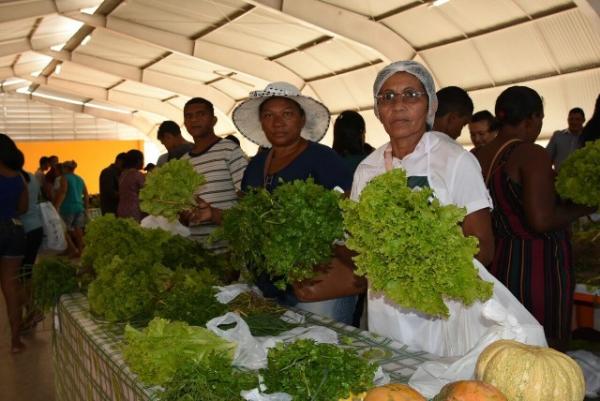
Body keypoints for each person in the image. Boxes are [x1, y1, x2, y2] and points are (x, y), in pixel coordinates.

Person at [351, 61, 497, 352]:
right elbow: (356, 242)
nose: (399, 105)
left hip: (444, 315)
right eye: (387, 97)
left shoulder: (455, 160)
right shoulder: (367, 168)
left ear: (430, 105)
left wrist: (420, 257)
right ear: (378, 110)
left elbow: (483, 246)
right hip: (385, 312)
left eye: (411, 95)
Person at [473, 86, 595, 350]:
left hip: (498, 261)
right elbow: (541, 220)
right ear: (531, 119)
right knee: (542, 346)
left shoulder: (476, 156)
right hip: (537, 267)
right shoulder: (531, 154)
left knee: (504, 342)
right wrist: (585, 207)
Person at [233, 82, 356, 324]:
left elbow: (350, 210)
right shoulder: (257, 165)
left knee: (324, 345)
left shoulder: (323, 158)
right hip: (271, 283)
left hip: (318, 282)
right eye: (269, 115)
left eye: (287, 114)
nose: (277, 122)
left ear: (301, 119)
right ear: (261, 122)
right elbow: (248, 216)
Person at [178, 98, 248, 252]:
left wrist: (214, 215)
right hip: (198, 249)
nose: (194, 120)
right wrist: (183, 215)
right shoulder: (183, 163)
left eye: (200, 114)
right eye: (188, 116)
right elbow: (182, 217)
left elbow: (247, 199)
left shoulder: (229, 150)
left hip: (230, 249)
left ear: (214, 120)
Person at [0, 133, 28, 353]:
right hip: (15, 229)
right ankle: (16, 341)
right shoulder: (18, 176)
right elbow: (23, 208)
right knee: (12, 286)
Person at [19, 169, 44, 332]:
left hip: (23, 229)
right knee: (26, 273)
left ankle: (32, 310)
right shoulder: (31, 177)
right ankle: (32, 310)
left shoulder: (15, 178)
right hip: (35, 227)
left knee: (18, 276)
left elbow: (20, 208)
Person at [54, 161, 88, 256]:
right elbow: (85, 194)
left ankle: (72, 249)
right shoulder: (80, 178)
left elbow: (63, 192)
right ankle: (80, 251)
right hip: (79, 207)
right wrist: (86, 207)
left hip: (67, 208)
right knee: (78, 230)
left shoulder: (64, 178)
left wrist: (56, 206)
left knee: (63, 230)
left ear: (65, 168)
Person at [117, 150, 146, 223]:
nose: (143, 163)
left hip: (121, 209)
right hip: (135, 211)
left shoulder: (122, 174)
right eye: (142, 160)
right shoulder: (138, 175)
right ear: (138, 161)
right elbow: (147, 191)